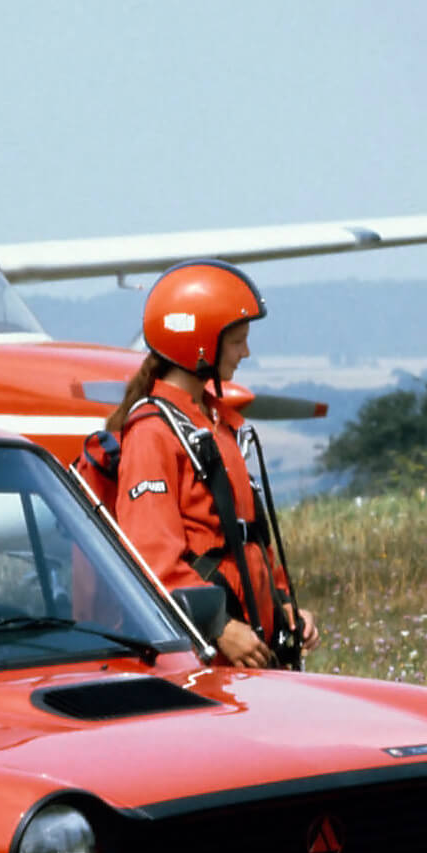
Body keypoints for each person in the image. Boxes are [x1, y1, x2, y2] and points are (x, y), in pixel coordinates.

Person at [109, 259, 319, 669]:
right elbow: (152, 560)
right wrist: (219, 626)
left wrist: (284, 606)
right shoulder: (153, 434)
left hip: (251, 650)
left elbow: (247, 538)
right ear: (201, 343)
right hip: (207, 659)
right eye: (238, 340)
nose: (246, 352)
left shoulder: (216, 424)